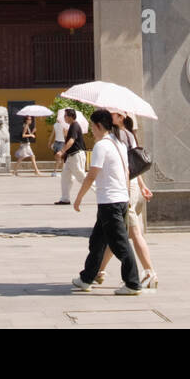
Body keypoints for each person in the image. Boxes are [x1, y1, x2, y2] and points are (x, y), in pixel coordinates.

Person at [71, 109, 140, 295]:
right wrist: (126, 197)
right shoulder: (118, 143)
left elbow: (92, 174)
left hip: (110, 202)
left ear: (98, 126)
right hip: (118, 200)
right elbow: (126, 172)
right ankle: (86, 278)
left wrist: (78, 197)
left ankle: (133, 283)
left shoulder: (102, 146)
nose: (91, 130)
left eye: (92, 127)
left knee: (120, 244)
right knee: (97, 241)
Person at [96, 113, 158, 289]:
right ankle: (99, 271)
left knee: (132, 232)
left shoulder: (120, 136)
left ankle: (149, 272)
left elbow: (126, 167)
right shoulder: (128, 134)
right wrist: (142, 184)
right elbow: (133, 165)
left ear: (121, 117)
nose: (109, 116)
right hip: (129, 187)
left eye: (113, 114)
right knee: (116, 232)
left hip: (123, 190)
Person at [54, 109, 84, 205]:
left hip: (76, 155)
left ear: (71, 116)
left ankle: (101, 192)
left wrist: (62, 151)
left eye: (65, 116)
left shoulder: (75, 125)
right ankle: (65, 199)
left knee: (81, 177)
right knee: (65, 177)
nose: (64, 117)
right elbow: (69, 139)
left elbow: (71, 141)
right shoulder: (71, 126)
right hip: (70, 156)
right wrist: (65, 134)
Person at [51, 110, 68, 174]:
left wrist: (50, 142)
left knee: (60, 158)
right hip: (62, 142)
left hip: (56, 142)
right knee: (60, 158)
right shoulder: (64, 125)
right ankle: (55, 172)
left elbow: (53, 134)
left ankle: (62, 171)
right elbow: (65, 135)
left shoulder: (55, 124)